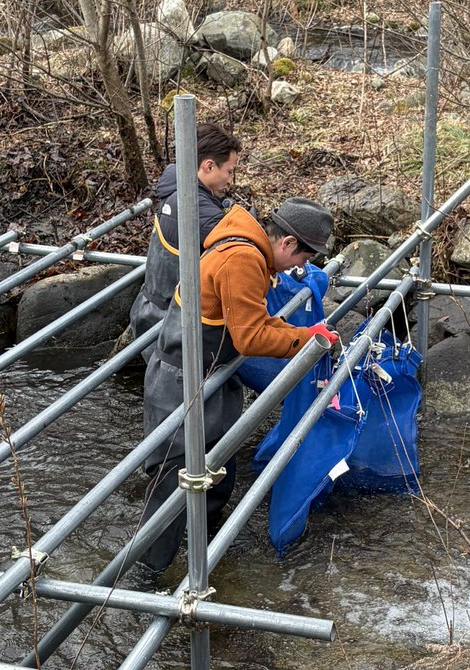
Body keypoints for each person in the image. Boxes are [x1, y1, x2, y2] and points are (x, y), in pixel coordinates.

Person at [139, 196, 338, 573]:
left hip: (211, 374)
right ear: (288, 244)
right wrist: (306, 341)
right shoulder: (243, 260)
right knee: (173, 485)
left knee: (218, 475)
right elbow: (250, 338)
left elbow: (255, 323)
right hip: (180, 381)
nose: (302, 268)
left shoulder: (252, 252)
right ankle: (149, 577)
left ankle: (205, 558)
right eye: (305, 259)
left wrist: (302, 331)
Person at [129, 123, 241, 360]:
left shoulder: (175, 189)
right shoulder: (196, 208)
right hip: (172, 326)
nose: (231, 180)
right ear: (208, 166)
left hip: (150, 313)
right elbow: (240, 251)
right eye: (230, 171)